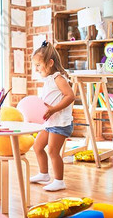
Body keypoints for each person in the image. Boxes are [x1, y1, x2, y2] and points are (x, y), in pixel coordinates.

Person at [29, 40, 75, 191]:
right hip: (50, 122)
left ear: (49, 63)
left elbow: (70, 96)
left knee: (53, 151)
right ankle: (43, 174)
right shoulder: (48, 79)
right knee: (37, 146)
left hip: (60, 123)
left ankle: (59, 181)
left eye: (38, 65)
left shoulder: (58, 78)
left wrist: (54, 109)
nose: (35, 69)